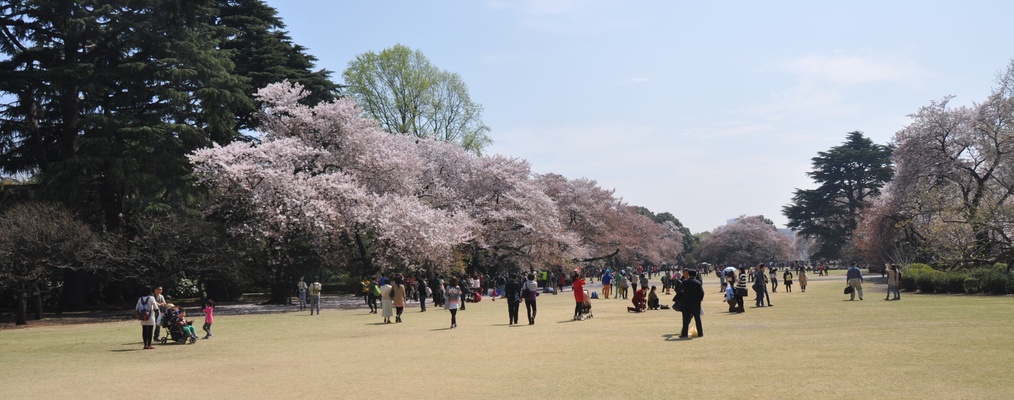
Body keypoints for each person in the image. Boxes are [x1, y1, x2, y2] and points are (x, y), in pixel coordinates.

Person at [678, 269, 705, 338]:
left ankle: (684, 334)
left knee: (685, 319)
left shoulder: (685, 282)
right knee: (697, 318)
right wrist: (700, 299)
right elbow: (702, 293)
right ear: (695, 275)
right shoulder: (697, 283)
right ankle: (700, 333)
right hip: (696, 303)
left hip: (686, 302)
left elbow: (680, 289)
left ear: (689, 274)